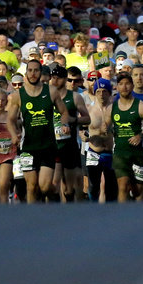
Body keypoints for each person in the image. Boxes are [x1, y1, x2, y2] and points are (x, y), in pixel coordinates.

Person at [6, 59, 71, 203]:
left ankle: (54, 197)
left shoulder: (51, 91)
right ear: (26, 73)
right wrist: (13, 136)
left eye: (36, 70)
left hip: (48, 146)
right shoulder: (18, 95)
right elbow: (10, 120)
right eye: (30, 70)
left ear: (41, 72)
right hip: (28, 146)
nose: (33, 73)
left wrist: (64, 123)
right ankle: (33, 219)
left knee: (45, 186)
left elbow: (64, 112)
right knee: (31, 186)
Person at [108, 72, 143, 202]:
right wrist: (104, 130)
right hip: (120, 153)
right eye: (121, 84)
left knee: (138, 190)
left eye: (127, 84)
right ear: (117, 87)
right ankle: (122, 219)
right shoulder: (111, 108)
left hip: (138, 153)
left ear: (131, 86)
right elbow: (105, 128)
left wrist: (141, 136)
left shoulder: (141, 106)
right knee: (123, 186)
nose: (124, 87)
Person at [49, 66, 89, 202]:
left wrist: (73, 120)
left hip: (69, 145)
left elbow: (87, 118)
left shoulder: (75, 97)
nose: (55, 81)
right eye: (53, 78)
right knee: (54, 183)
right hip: (53, 146)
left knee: (71, 186)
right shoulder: (46, 97)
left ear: (65, 79)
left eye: (58, 78)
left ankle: (71, 203)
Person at [85, 78, 117, 202]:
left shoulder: (115, 109)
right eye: (98, 91)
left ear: (109, 93)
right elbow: (81, 127)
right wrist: (83, 135)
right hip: (94, 151)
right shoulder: (89, 109)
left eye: (104, 91)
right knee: (93, 186)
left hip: (110, 152)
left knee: (111, 187)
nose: (101, 94)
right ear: (94, 93)